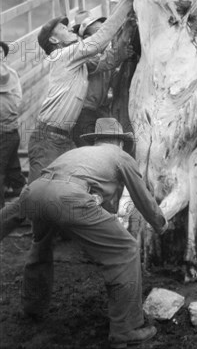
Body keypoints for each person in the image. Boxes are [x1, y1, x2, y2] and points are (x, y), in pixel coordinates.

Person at [20, 118, 168, 348]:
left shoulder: (80, 154)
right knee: (126, 250)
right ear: (120, 142)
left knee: (40, 245)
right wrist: (160, 224)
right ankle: (125, 329)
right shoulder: (120, 156)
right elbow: (142, 196)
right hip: (68, 197)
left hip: (35, 193)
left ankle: (32, 307)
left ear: (97, 140)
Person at [0, 0, 132, 238]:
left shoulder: (78, 60)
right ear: (55, 41)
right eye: (62, 28)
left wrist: (125, 44)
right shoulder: (65, 55)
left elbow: (106, 61)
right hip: (47, 138)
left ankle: (97, 238)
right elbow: (101, 40)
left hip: (62, 140)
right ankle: (41, 246)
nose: (68, 28)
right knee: (32, 201)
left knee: (82, 184)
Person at [72, 16, 135, 149]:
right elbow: (106, 62)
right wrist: (120, 50)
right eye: (100, 32)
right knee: (89, 152)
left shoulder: (106, 57)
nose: (105, 36)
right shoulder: (82, 56)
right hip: (83, 112)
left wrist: (126, 61)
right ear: (87, 38)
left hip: (100, 111)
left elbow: (115, 81)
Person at [0, 41, 26, 208]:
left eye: (1, 52)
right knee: (13, 169)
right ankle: (23, 198)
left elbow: (16, 102)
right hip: (9, 133)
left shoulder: (10, 76)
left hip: (7, 132)